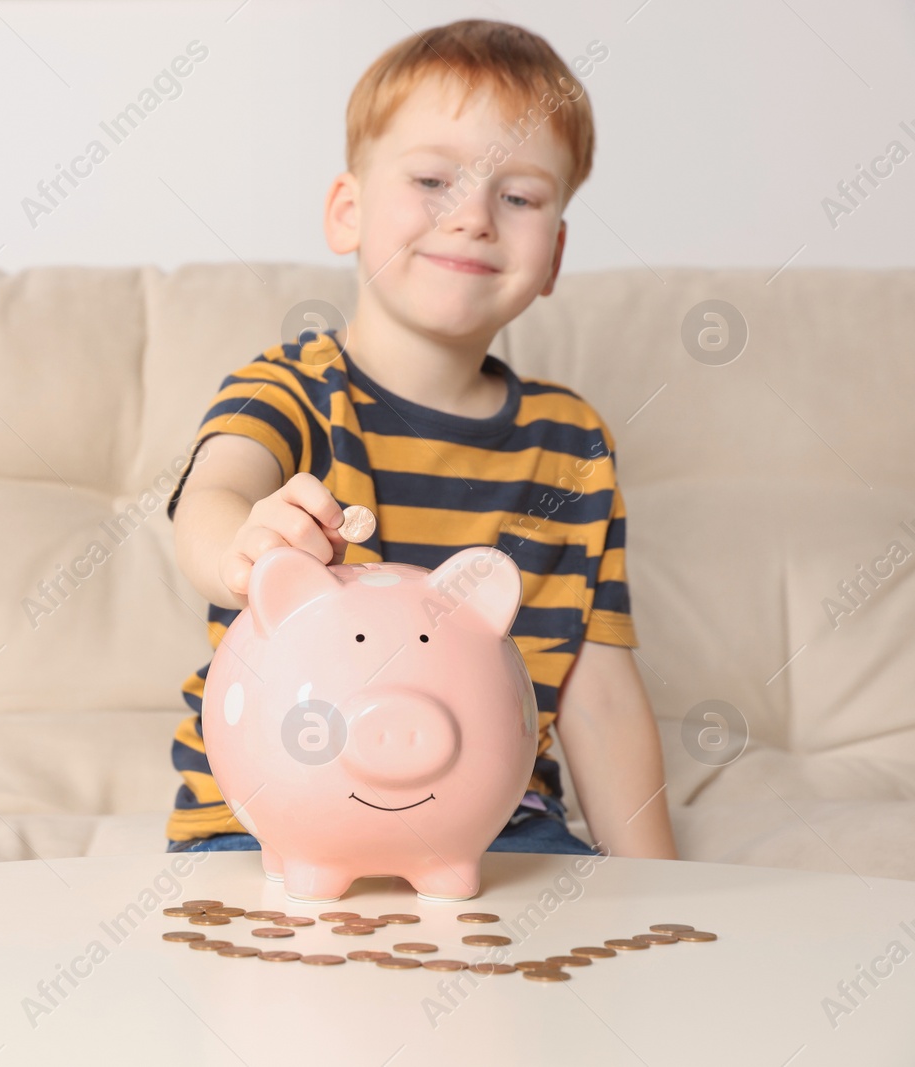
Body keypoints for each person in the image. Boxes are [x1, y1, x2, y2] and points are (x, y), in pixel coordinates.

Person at [164, 19, 678, 861]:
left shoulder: (573, 443)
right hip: (266, 822)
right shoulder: (291, 389)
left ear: (552, 255)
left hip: (496, 825)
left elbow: (601, 695)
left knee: (574, 972)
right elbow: (212, 496)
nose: (473, 216)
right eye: (434, 178)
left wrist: (665, 890)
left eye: (519, 197)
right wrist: (243, 547)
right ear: (348, 211)